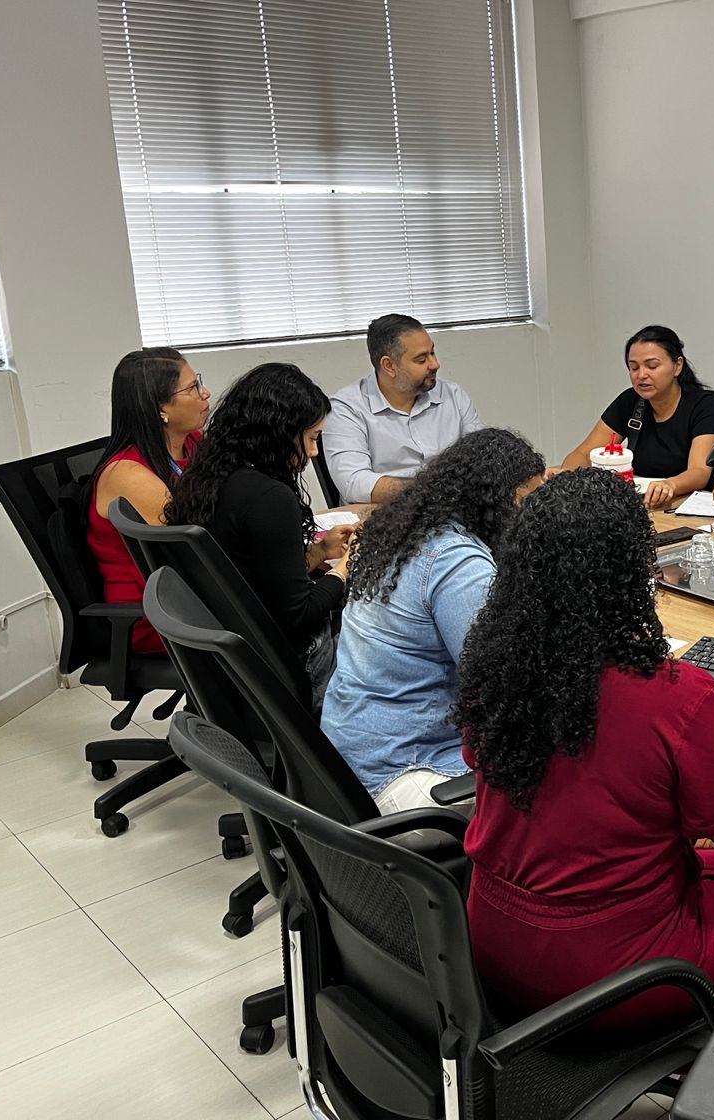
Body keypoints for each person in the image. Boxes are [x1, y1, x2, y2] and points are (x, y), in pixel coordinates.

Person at [456, 469, 714, 1029]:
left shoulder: (494, 670)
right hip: (609, 979)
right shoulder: (678, 696)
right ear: (637, 572)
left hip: (494, 948)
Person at [321, 429, 544, 813]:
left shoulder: (404, 534)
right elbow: (500, 682)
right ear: (497, 502)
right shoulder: (456, 562)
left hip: (347, 757)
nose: (531, 520)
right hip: (408, 771)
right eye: (526, 505)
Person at [167, 363, 354, 659]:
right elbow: (299, 616)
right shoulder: (270, 498)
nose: (314, 452)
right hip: (290, 660)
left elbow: (258, 580)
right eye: (312, 438)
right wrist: (345, 566)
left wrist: (320, 552)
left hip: (237, 656)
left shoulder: (208, 476)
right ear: (281, 435)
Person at [87, 348, 211, 654]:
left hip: (194, 593)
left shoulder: (194, 443)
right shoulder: (128, 473)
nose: (205, 393)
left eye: (199, 382)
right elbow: (190, 555)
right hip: (159, 612)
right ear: (159, 408)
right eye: (192, 388)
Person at [322, 313, 483, 505]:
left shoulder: (453, 395)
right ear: (389, 366)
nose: (435, 364)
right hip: (389, 521)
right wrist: (436, 489)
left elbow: (481, 460)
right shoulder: (347, 410)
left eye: (432, 353)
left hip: (457, 513)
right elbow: (355, 484)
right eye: (421, 359)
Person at [557, 325, 714, 510]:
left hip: (681, 505)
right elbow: (584, 453)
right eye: (634, 368)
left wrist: (671, 485)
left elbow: (699, 471)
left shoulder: (702, 405)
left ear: (677, 366)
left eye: (652, 366)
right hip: (640, 505)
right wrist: (565, 478)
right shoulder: (631, 401)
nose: (641, 375)